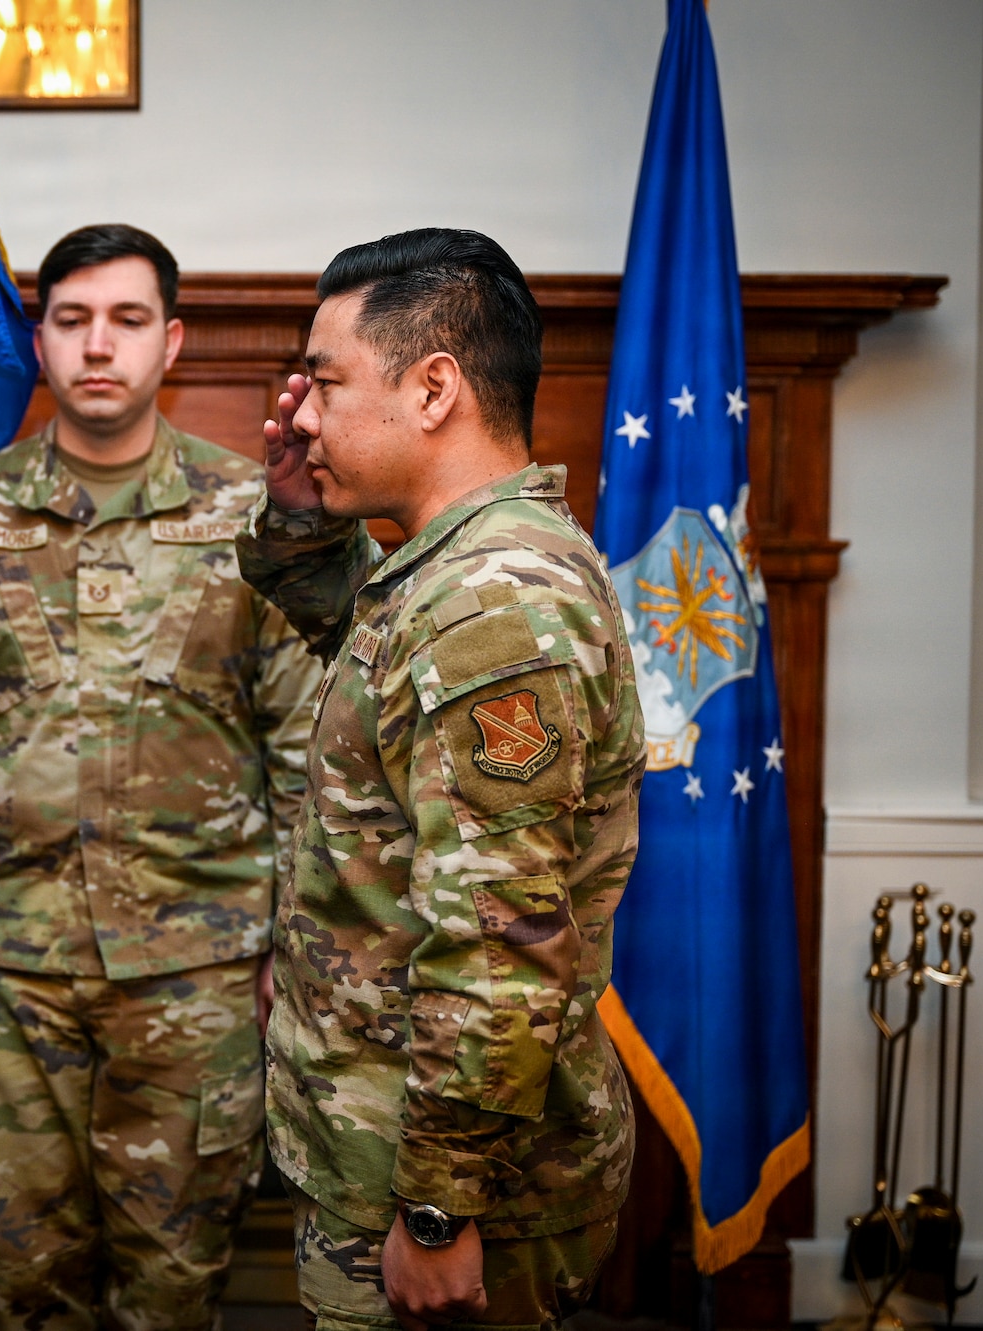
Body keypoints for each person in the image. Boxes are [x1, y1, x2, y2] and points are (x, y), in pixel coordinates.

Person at [0, 223, 324, 1329]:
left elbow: (310, 749)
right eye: (69, 321)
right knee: (21, 1281)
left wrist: (293, 950)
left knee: (175, 1280)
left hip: (199, 972)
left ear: (172, 342)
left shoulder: (250, 518)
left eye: (124, 320)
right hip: (4, 972)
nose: (95, 347)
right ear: (38, 338)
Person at [239, 228, 645, 1331]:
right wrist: (296, 511)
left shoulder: (491, 603)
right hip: (393, 1141)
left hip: (448, 1187)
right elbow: (375, 674)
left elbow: (496, 937)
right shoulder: (451, 567)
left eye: (323, 382)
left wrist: (433, 1208)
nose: (303, 413)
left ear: (432, 388)